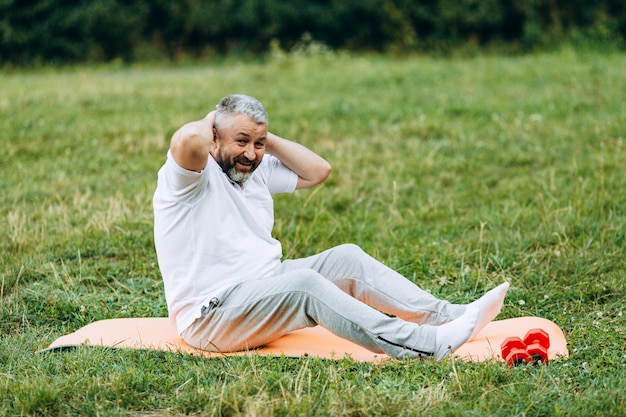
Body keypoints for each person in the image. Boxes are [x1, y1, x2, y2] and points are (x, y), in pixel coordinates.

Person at [153, 94, 509, 360]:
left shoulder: (253, 169)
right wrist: (214, 117)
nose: (250, 153)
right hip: (211, 316)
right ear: (215, 136)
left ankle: (449, 317)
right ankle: (422, 345)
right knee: (305, 286)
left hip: (262, 286)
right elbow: (188, 141)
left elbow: (318, 171)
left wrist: (264, 139)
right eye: (241, 141)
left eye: (257, 144)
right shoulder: (189, 179)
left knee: (346, 258)